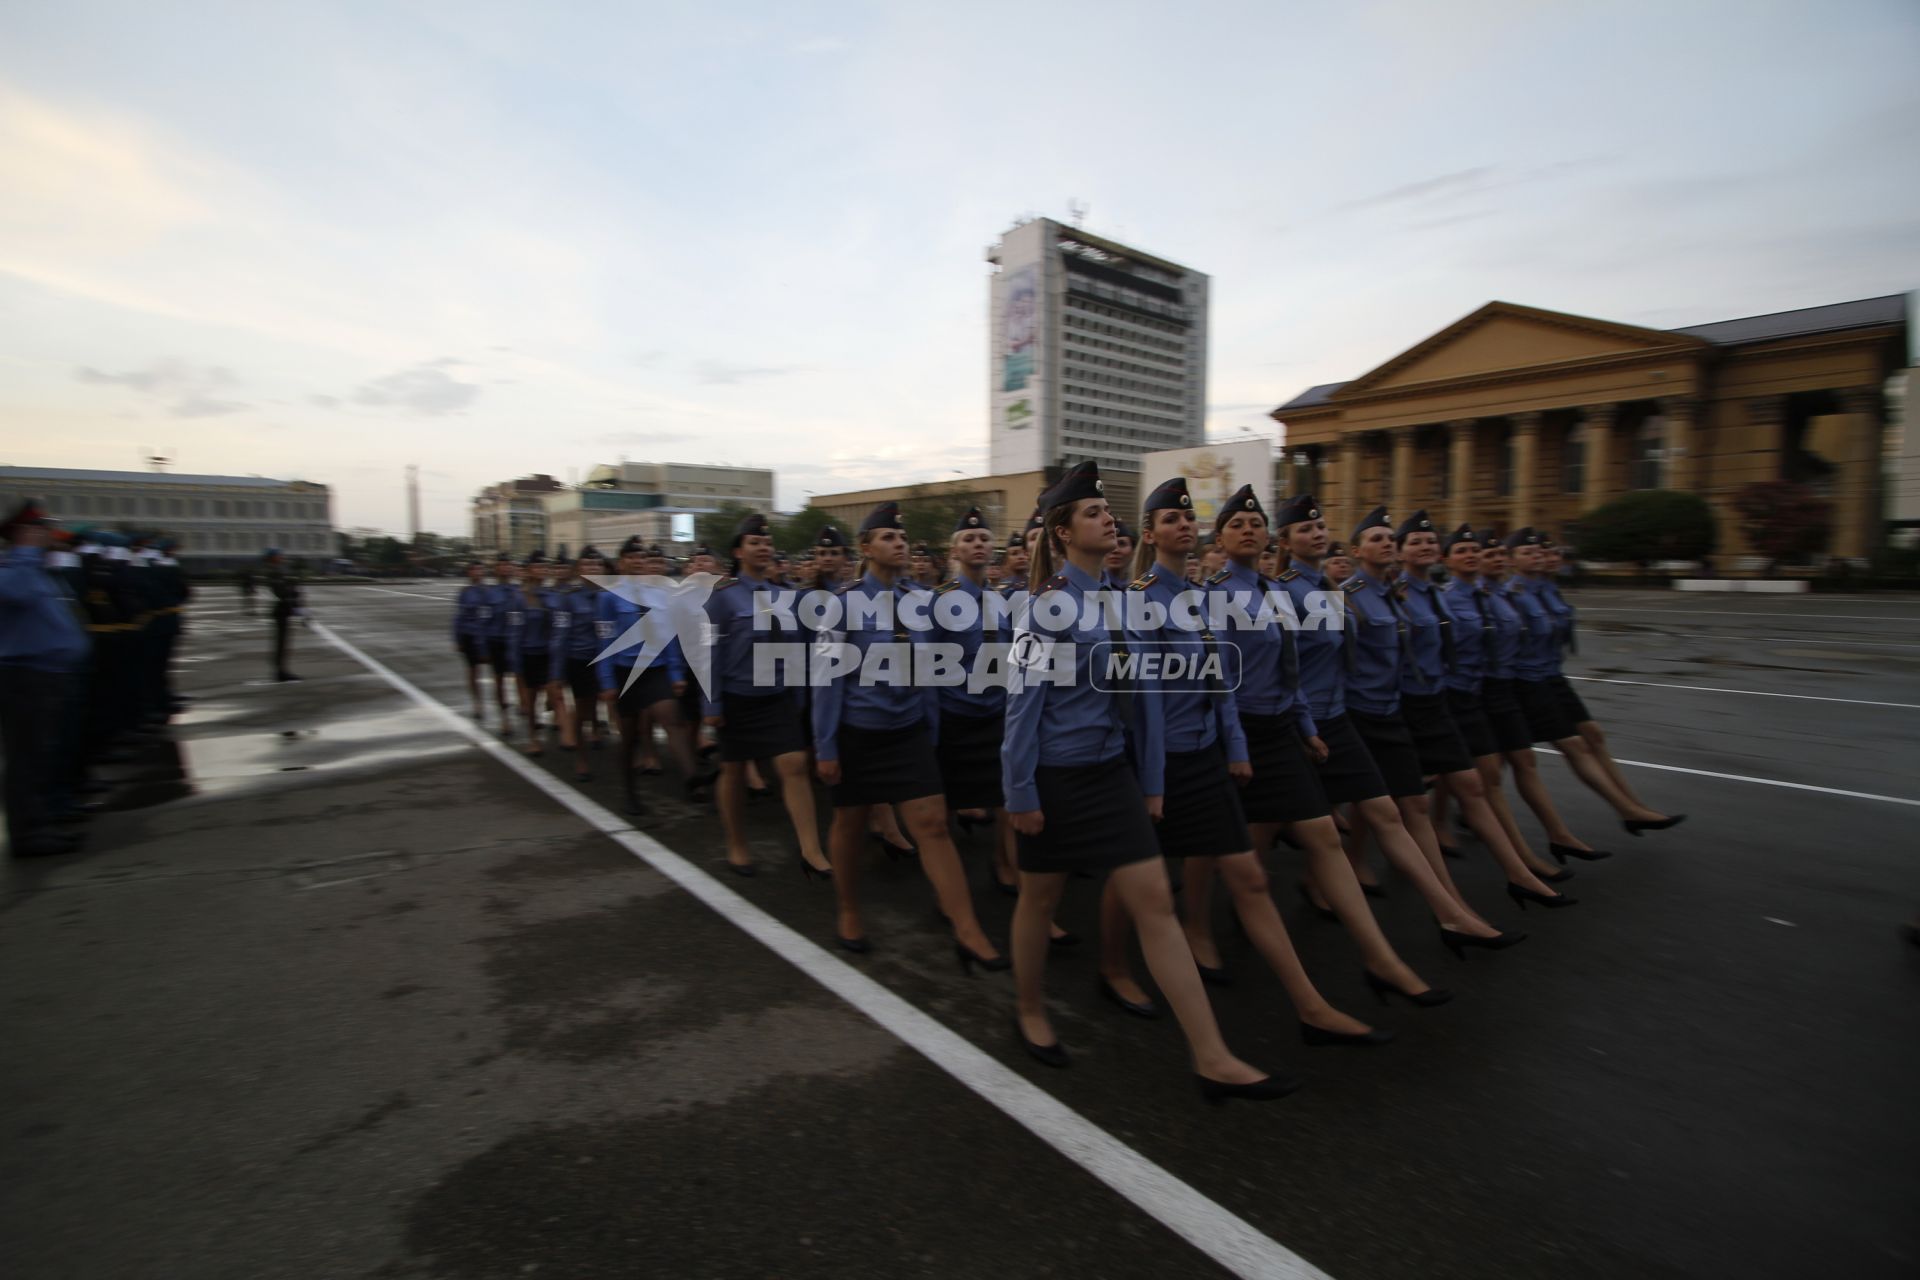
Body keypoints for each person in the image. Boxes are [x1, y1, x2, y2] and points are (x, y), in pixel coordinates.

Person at [1003, 461, 1296, 1103]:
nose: (1109, 520)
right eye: (1093, 513)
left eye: (1109, 513)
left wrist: (1152, 781)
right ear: (1061, 531)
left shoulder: (1121, 603)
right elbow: (1022, 708)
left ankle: (1212, 1055)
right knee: (1040, 901)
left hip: (1111, 776)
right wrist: (1020, 792)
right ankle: (1029, 1007)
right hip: (1054, 777)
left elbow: (1145, 703)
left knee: (1156, 905)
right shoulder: (1043, 610)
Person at [1101, 478, 1390, 1045]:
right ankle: (1112, 966)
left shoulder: (1200, 595)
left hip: (1205, 754)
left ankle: (1310, 1006)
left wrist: (1233, 747)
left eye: (1188, 520)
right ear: (1153, 533)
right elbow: (1142, 702)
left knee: (1250, 879)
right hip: (1161, 762)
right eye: (1169, 520)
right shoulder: (1139, 599)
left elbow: (1223, 679)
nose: (1183, 526)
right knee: (1137, 877)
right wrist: (1151, 780)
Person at [1192, 487, 1453, 1002]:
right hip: (1233, 734)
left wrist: (1306, 725)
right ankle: (1194, 926)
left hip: (1282, 730)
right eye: (1236, 524)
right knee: (1211, 846)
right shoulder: (1211, 596)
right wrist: (1233, 744)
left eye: (1255, 523)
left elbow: (1292, 670)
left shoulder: (1272, 592)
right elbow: (1215, 680)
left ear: (1269, 537)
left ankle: (1381, 959)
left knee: (1320, 839)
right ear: (1220, 538)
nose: (1248, 530)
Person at [1270, 495, 1516, 977]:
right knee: (1259, 839)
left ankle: (1450, 914)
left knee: (1385, 811)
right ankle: (1216, 907)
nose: (1317, 535)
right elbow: (1282, 668)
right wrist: (1299, 724)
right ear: (1286, 542)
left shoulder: (1329, 586)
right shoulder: (1282, 592)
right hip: (1305, 723)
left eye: (1321, 528)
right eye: (1304, 529)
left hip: (1338, 717)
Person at [813, 502, 1003, 962]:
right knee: (850, 824)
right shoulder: (842, 604)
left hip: (909, 732)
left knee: (934, 826)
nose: (898, 544)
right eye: (888, 537)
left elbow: (932, 671)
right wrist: (826, 745)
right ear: (866, 548)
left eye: (901, 538)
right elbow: (825, 680)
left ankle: (967, 927)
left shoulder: (922, 600)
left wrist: (932, 730)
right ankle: (849, 909)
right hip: (860, 733)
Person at [1391, 511, 1574, 914]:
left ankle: (1519, 873)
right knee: (1392, 804)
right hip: (1401, 705)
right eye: (1414, 542)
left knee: (1471, 786)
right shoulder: (1395, 593)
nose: (1424, 547)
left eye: (1428, 541)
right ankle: (1445, 902)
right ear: (1399, 553)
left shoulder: (1436, 594)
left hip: (1441, 700)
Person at [1504, 529, 1684, 837]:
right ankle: (1626, 810)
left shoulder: (1546, 588)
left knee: (1592, 736)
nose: (1544, 558)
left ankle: (1632, 803)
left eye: (1547, 553)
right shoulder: (1513, 593)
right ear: (1512, 560)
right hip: (1527, 679)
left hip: (1551, 675)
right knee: (1564, 746)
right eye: (1531, 553)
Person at [1432, 526, 1578, 879]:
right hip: (1411, 700)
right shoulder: (1424, 597)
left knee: (1477, 780)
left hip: (1474, 692)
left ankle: (1524, 863)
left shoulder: (1479, 596)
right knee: (1392, 801)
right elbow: (1313, 655)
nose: (1474, 555)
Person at [703, 513, 826, 876]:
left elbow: (798, 649)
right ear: (739, 551)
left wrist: (800, 695)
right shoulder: (723, 597)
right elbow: (708, 651)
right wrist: (711, 703)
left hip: (778, 695)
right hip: (737, 695)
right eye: (755, 543)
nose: (763, 548)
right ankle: (737, 844)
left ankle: (811, 849)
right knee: (735, 771)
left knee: (794, 765)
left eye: (767, 543)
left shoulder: (785, 596)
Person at [0, 501, 91, 858]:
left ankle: (45, 819)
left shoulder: (38, 570)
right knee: (27, 758)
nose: (50, 534)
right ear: (24, 534)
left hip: (48, 675)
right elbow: (15, 594)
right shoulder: (13, 569)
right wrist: (24, 551)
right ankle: (29, 834)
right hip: (26, 676)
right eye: (41, 529)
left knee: (44, 754)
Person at [597, 536, 711, 815]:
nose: (638, 562)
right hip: (625, 673)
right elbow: (604, 641)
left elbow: (669, 637)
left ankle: (693, 781)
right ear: (621, 562)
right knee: (630, 736)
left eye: (642, 558)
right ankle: (629, 793)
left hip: (656, 669)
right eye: (632, 557)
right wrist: (608, 682)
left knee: (673, 720)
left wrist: (675, 673)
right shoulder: (608, 597)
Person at [549, 546, 606, 780]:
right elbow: (559, 636)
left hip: (607, 661)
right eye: (587, 565)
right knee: (583, 710)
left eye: (597, 565)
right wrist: (556, 674)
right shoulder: (569, 598)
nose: (593, 569)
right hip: (580, 660)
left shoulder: (610, 595)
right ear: (579, 570)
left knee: (605, 707)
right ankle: (581, 759)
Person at [507, 551, 557, 755]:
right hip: (529, 653)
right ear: (528, 571)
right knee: (531, 698)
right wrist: (515, 659)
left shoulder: (552, 596)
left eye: (545, 567)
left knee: (555, 694)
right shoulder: (519, 599)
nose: (543, 570)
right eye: (538, 567)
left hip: (550, 653)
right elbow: (514, 631)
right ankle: (533, 738)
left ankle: (563, 731)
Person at [453, 562, 493, 720]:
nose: (478, 572)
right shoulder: (465, 592)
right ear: (469, 573)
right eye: (474, 569)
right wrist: (457, 638)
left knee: (496, 673)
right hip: (469, 635)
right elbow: (459, 618)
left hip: (487, 636)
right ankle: (478, 703)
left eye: (480, 569)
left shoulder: (489, 591)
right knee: (473, 671)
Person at [484, 553, 519, 732]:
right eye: (502, 565)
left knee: (520, 678)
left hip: (517, 641)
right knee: (500, 681)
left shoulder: (519, 591)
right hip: (497, 641)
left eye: (509, 564)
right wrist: (483, 648)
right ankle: (505, 717)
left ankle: (526, 709)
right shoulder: (489, 594)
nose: (506, 568)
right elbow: (484, 621)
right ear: (496, 569)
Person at [263, 548, 302, 681]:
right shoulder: (274, 571)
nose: (281, 557)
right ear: (272, 557)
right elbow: (281, 591)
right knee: (281, 642)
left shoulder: (278, 570)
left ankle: (282, 670)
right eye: (278, 555)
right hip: (281, 609)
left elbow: (288, 587)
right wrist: (292, 593)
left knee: (283, 642)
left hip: (284, 609)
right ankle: (280, 671)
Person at [1101, 519, 1134, 589]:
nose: (1115, 550)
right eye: (1109, 544)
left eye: (1122, 544)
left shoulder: (1142, 588)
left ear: (1133, 551)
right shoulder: (1091, 587)